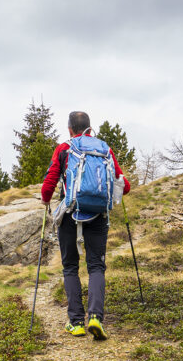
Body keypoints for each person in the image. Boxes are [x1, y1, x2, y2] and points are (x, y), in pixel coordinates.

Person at [41, 111, 130, 340]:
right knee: (96, 267)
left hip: (71, 213)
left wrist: (45, 199)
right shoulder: (104, 149)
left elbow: (49, 183)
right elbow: (124, 185)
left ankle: (76, 322)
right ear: (90, 127)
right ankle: (96, 318)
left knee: (70, 266)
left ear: (70, 129)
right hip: (98, 215)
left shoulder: (64, 148)